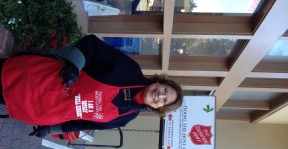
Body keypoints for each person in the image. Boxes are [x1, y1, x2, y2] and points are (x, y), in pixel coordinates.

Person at [0, 34, 183, 138]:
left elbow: (81, 122)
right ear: (159, 82)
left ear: (158, 108)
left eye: (164, 100)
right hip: (31, 78)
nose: (160, 95)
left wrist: (49, 129)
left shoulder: (125, 118)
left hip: (33, 107)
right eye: (164, 90)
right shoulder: (129, 70)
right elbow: (92, 45)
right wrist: (74, 66)